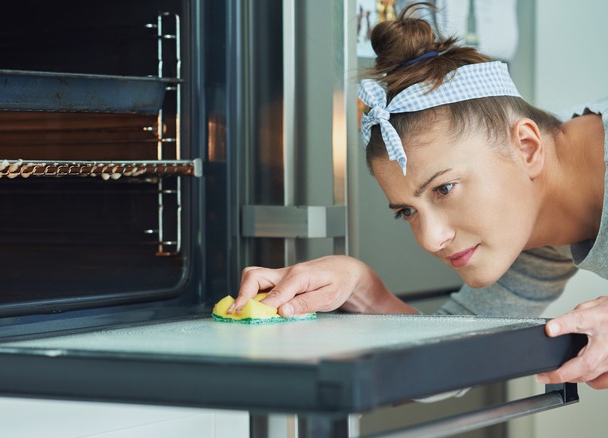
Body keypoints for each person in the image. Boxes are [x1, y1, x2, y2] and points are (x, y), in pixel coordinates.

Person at [227, 2, 608, 389]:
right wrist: (365, 291)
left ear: (526, 147)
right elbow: (453, 364)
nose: (430, 239)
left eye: (444, 188)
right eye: (407, 211)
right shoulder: (535, 232)